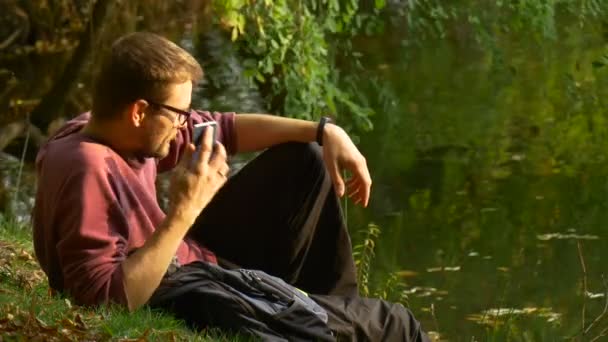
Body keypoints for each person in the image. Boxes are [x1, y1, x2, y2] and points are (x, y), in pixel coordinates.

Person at [32, 32, 429, 341]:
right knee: (398, 325)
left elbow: (226, 126)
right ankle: (341, 320)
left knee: (304, 160)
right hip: (194, 287)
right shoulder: (88, 169)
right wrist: (185, 210)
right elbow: (102, 301)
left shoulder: (108, 130)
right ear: (139, 111)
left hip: (196, 261)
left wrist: (324, 131)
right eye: (179, 114)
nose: (187, 125)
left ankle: (338, 312)